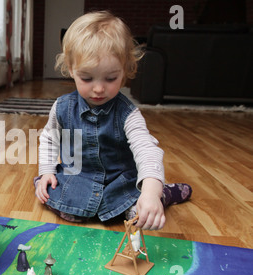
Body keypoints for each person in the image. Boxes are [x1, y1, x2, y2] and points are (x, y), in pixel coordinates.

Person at [34, 11, 191, 230]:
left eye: (110, 78)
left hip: (120, 182)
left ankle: (163, 192)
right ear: (71, 69)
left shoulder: (128, 114)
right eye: (87, 78)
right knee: (51, 195)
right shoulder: (62, 107)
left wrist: (150, 193)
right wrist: (47, 171)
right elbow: (49, 140)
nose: (98, 88)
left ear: (125, 71)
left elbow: (147, 151)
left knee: (138, 213)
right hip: (79, 178)